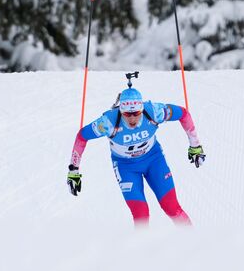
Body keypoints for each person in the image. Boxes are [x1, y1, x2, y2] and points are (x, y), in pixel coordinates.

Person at [67, 77, 205, 226]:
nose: (132, 119)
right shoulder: (108, 122)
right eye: (127, 114)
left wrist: (195, 146)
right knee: (141, 214)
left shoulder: (154, 112)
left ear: (142, 109)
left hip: (153, 160)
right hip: (126, 167)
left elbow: (183, 114)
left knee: (171, 207)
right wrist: (73, 170)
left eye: (136, 113)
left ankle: (194, 243)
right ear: (120, 110)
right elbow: (82, 136)